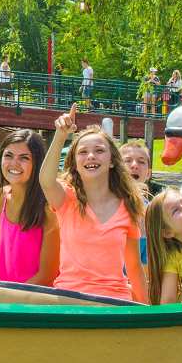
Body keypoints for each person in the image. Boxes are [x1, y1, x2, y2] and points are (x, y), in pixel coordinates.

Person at [39, 104, 150, 302]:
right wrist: (60, 135)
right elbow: (46, 181)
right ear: (75, 163)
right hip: (69, 298)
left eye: (99, 151)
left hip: (114, 301)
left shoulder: (128, 206)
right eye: (83, 152)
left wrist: (145, 311)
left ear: (112, 161)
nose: (91, 156)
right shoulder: (66, 199)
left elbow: (134, 268)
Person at [0, 129, 59, 285]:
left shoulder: (49, 208)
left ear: (37, 164)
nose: (14, 163)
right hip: (5, 293)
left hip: (36, 295)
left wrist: (8, 295)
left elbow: (47, 276)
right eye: (8, 156)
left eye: (24, 158)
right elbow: (1, 253)